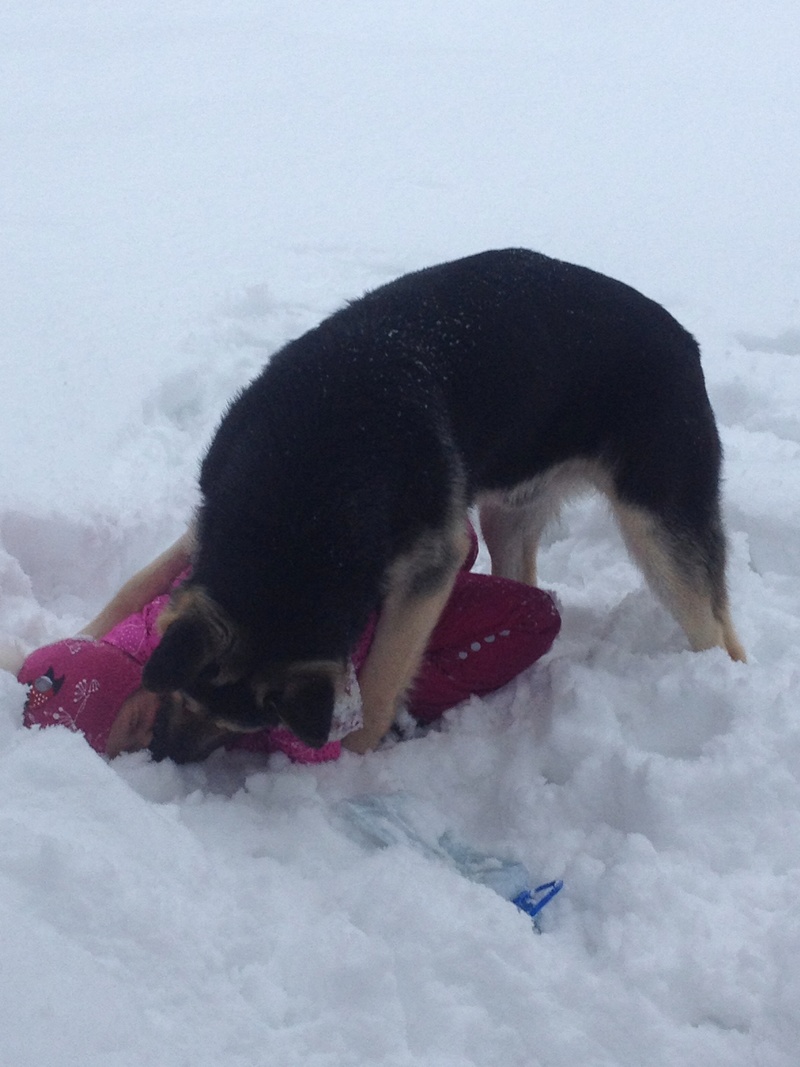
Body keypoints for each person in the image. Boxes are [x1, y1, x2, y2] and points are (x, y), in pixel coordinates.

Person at [17, 523, 561, 762]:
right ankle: (407, 696)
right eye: (129, 750)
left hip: (354, 605)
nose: (151, 742)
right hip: (381, 669)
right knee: (532, 621)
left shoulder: (163, 636)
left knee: (453, 541)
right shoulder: (151, 688)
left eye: (137, 726)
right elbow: (318, 746)